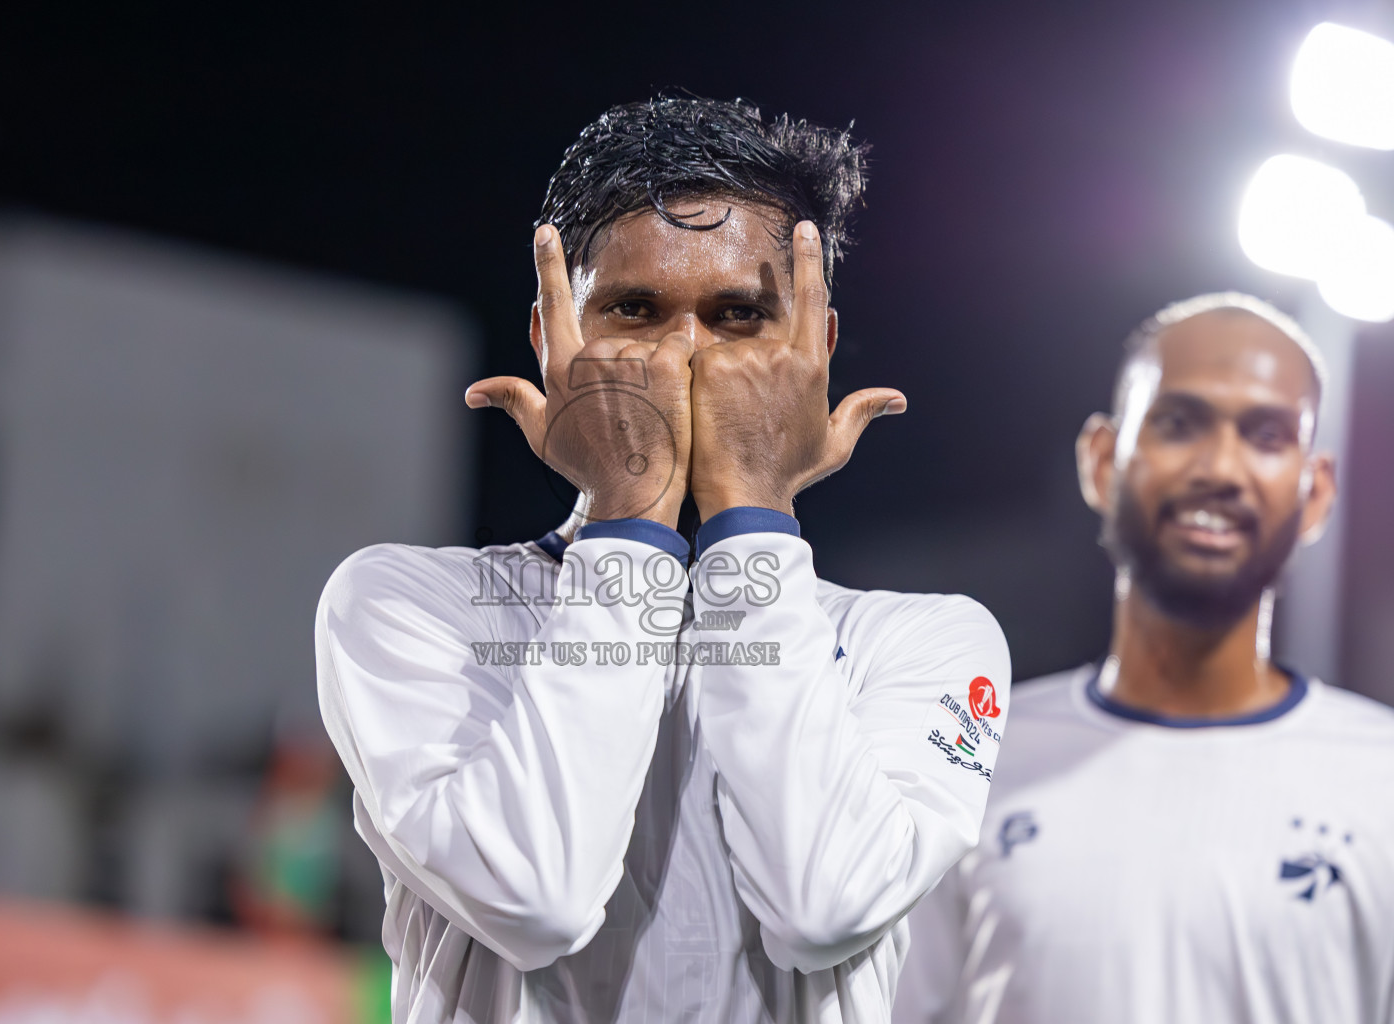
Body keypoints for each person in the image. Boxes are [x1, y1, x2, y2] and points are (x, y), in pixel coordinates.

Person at [315, 97, 1011, 1023]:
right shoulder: (409, 604)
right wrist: (633, 512)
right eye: (636, 310)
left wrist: (752, 512)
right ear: (551, 340)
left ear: (815, 353)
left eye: (739, 317)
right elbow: (535, 895)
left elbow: (823, 906)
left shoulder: (927, 644)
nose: (684, 357)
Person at [893, 293, 1394, 1024]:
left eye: (1265, 434)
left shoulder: (1382, 777)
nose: (1221, 467)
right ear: (1102, 460)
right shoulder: (969, 761)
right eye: (1179, 423)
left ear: (1315, 493)